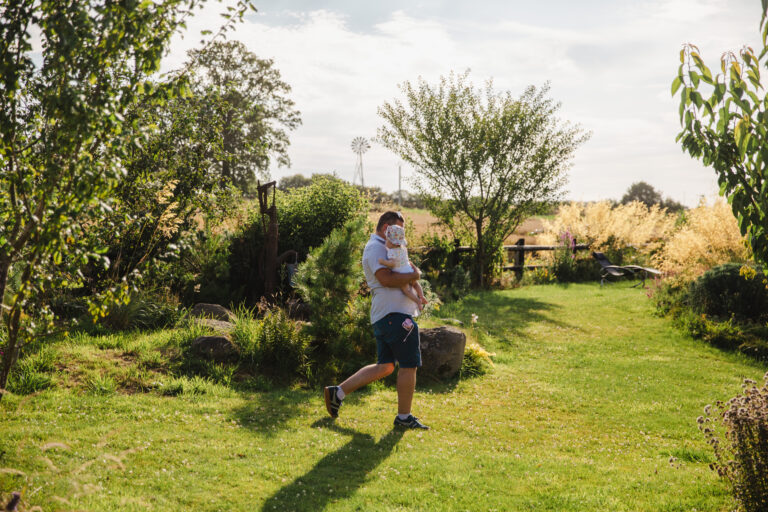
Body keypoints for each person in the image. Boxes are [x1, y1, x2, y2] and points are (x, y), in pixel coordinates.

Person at [324, 211, 429, 429]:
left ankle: (338, 393)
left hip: (389, 315)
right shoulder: (375, 248)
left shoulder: (389, 247)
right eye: (398, 229)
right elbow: (386, 279)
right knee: (409, 365)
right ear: (386, 228)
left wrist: (413, 279)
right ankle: (404, 417)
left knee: (385, 366)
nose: (401, 234)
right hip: (394, 315)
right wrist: (414, 275)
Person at [378, 224, 428, 311]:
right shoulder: (403, 249)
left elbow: (392, 264)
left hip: (402, 274)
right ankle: (421, 296)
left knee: (406, 290)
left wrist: (383, 262)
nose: (385, 242)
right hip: (409, 270)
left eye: (387, 240)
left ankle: (418, 301)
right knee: (415, 284)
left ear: (391, 242)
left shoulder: (392, 252)